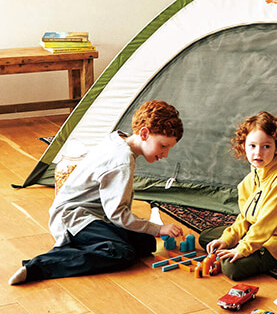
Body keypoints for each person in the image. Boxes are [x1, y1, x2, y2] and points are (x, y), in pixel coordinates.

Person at [8, 100, 184, 285]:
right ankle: (39, 266)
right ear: (144, 133)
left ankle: (88, 244)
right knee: (121, 253)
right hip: (73, 217)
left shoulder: (118, 139)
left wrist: (149, 230)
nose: (165, 154)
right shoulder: (122, 161)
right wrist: (157, 228)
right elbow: (118, 214)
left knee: (146, 243)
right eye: (163, 146)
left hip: (96, 216)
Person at [199, 111, 277, 281]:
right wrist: (227, 240)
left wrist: (242, 249)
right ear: (243, 146)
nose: (258, 153)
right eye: (252, 146)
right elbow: (245, 217)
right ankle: (236, 244)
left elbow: (266, 223)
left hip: (276, 242)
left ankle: (250, 251)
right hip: (255, 233)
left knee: (231, 267)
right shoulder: (250, 179)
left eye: (266, 146)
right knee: (207, 238)